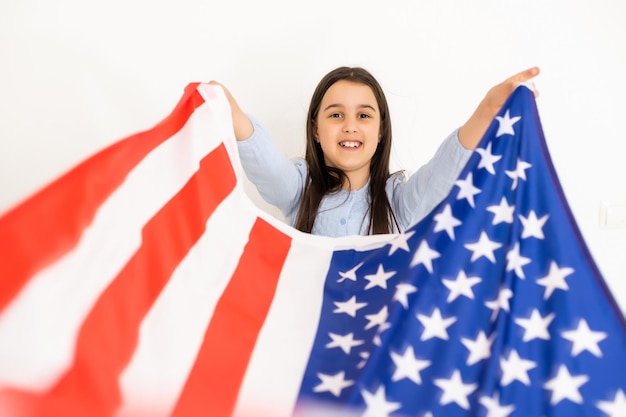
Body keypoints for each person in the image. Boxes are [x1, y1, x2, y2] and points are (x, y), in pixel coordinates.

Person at [210, 66, 539, 237]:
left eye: (364, 115)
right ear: (316, 130)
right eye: (336, 115)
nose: (350, 126)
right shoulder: (299, 189)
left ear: (380, 131)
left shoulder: (400, 201)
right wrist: (221, 101)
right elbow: (260, 157)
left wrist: (487, 110)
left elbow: (446, 168)